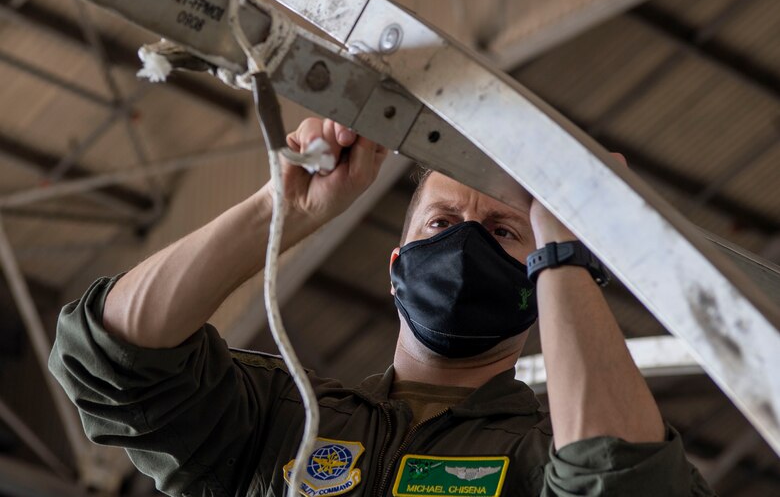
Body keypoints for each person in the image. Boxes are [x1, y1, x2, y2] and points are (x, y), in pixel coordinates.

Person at [49, 118, 714, 497]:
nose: (462, 242)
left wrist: (569, 254)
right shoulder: (279, 419)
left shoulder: (540, 460)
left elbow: (624, 481)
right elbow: (109, 356)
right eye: (441, 221)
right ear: (395, 269)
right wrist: (280, 211)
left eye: (505, 233)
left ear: (538, 283)